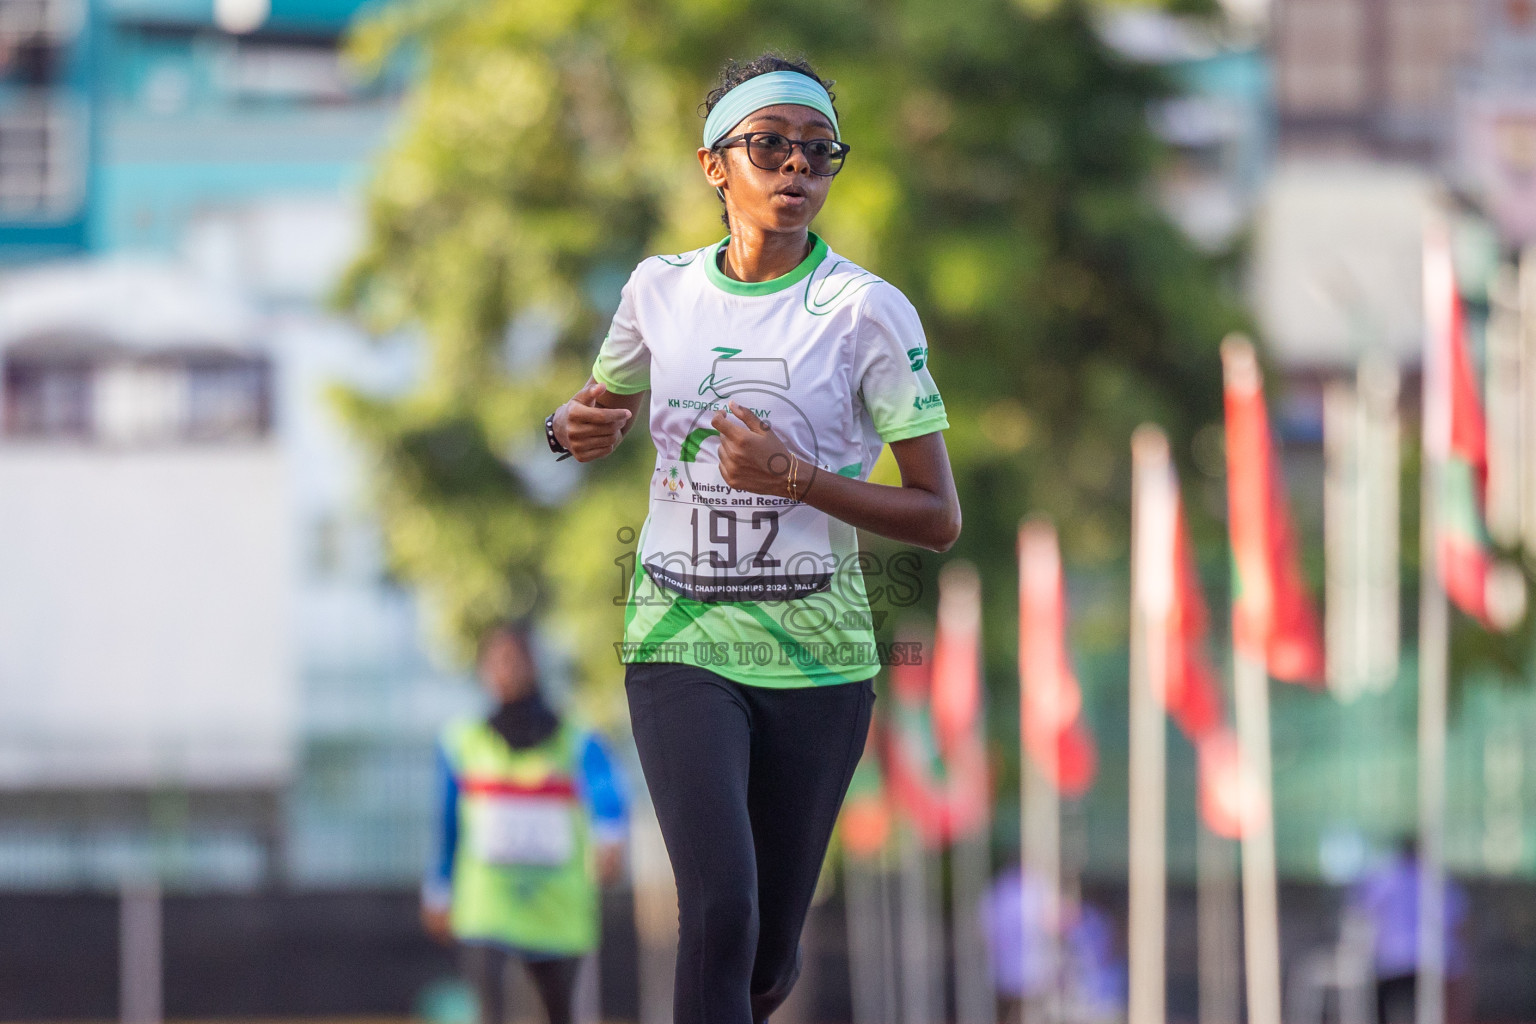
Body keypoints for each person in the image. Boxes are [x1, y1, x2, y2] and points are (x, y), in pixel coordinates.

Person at [546, 52, 962, 1024]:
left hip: (820, 662)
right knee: (720, 910)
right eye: (769, 146)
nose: (795, 170)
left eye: (819, 153)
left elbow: (936, 516)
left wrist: (799, 478)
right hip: (680, 639)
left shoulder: (865, 312)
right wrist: (566, 431)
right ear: (713, 165)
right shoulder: (659, 290)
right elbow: (590, 410)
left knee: (768, 957)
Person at [421, 619, 629, 1024]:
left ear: (535, 666)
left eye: (515, 660)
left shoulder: (577, 740)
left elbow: (609, 797)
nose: (506, 671)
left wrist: (611, 836)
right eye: (497, 661)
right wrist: (438, 890)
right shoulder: (461, 743)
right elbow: (446, 824)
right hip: (487, 907)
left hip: (559, 909)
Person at [1347, 838, 1471, 1024]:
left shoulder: (1385, 878)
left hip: (1395, 963)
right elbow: (1456, 918)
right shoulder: (1435, 879)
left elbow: (1361, 910)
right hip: (1424, 963)